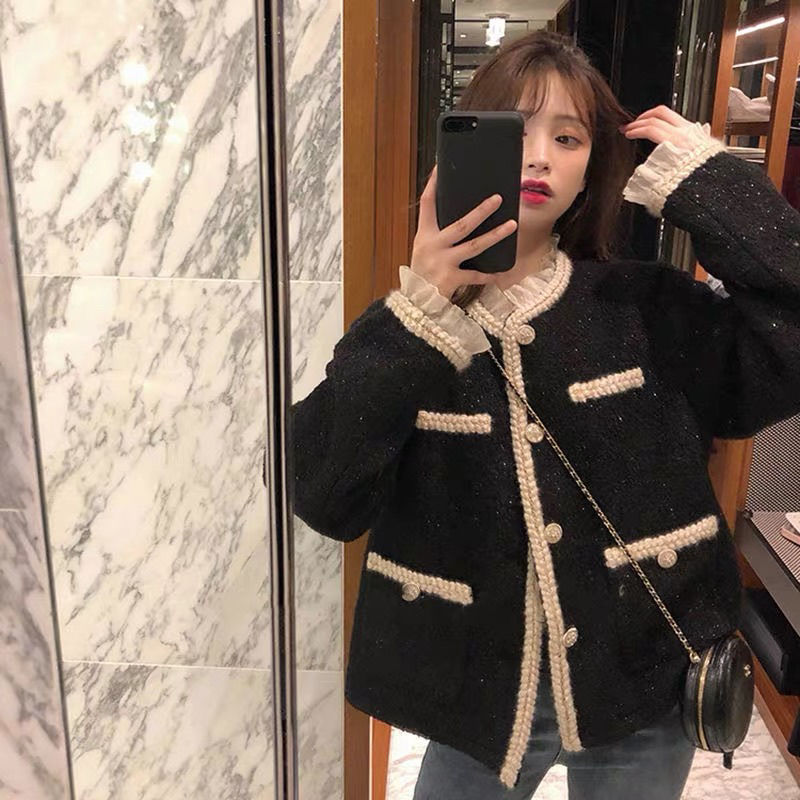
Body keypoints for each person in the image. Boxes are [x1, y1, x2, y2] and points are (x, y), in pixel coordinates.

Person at [290, 30, 800, 799]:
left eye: (567, 137)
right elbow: (326, 497)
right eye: (513, 132)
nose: (537, 158)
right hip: (478, 698)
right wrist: (421, 307)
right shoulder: (409, 331)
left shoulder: (648, 308)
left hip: (642, 686)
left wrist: (714, 185)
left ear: (592, 165)